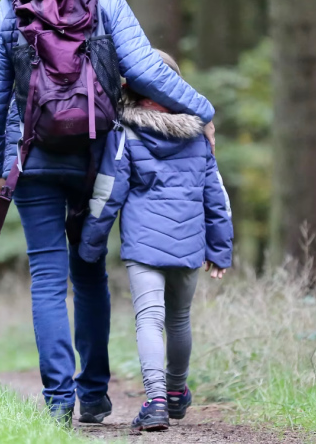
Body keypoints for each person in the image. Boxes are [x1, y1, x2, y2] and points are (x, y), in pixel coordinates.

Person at [0, 0, 216, 424]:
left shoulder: (8, 9)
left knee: (46, 276)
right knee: (88, 272)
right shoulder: (107, 1)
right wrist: (202, 111)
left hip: (33, 158)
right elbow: (148, 70)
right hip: (96, 159)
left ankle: (58, 402)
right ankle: (95, 395)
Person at [78, 50, 233, 432]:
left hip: (144, 246)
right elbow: (217, 197)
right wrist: (220, 248)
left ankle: (157, 401)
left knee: (149, 319)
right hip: (189, 242)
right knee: (179, 319)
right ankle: (178, 392)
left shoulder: (126, 133)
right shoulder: (198, 135)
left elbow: (108, 192)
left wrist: (90, 244)